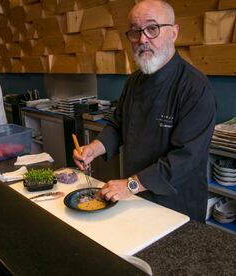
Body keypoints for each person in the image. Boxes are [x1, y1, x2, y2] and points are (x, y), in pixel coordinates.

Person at [73, 0, 216, 222]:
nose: (142, 39)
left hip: (176, 204)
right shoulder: (134, 82)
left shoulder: (195, 87)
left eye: (152, 28)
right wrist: (94, 149)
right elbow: (118, 125)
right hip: (136, 198)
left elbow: (186, 157)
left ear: (173, 33)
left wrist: (131, 184)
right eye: (135, 32)